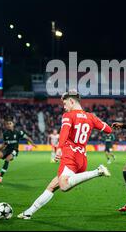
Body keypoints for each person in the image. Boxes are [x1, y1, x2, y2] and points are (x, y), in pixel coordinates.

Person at [17, 90, 112, 220]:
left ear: (72, 101)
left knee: (64, 185)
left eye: (65, 103)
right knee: (52, 186)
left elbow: (64, 132)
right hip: (82, 159)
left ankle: (98, 171)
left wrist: (59, 148)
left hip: (70, 155)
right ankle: (29, 213)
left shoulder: (68, 115)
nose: (64, 106)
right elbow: (108, 129)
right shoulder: (91, 117)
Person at [0, 117, 35, 184]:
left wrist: (33, 143)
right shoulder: (5, 133)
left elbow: (27, 137)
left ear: (13, 124)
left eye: (10, 123)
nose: (8, 125)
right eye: (7, 124)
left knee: (7, 159)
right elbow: (4, 143)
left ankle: (1, 177)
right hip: (7, 149)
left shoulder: (18, 132)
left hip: (14, 150)